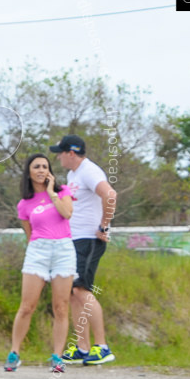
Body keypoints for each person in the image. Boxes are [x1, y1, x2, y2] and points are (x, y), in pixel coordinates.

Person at [4, 154, 75, 373]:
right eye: (37, 167)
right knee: (27, 306)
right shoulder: (24, 204)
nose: (41, 170)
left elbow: (67, 213)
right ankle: (14, 353)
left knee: (61, 307)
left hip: (63, 250)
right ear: (29, 172)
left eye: (45, 166)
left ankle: (57, 356)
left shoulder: (63, 192)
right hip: (38, 251)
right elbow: (29, 233)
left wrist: (52, 192)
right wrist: (38, 247)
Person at [51, 134, 118, 365]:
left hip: (88, 240)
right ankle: (83, 347)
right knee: (72, 292)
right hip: (73, 240)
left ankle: (102, 347)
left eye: (60, 152)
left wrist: (104, 226)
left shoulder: (89, 171)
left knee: (81, 290)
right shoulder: (72, 175)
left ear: (71, 153)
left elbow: (110, 195)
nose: (58, 157)